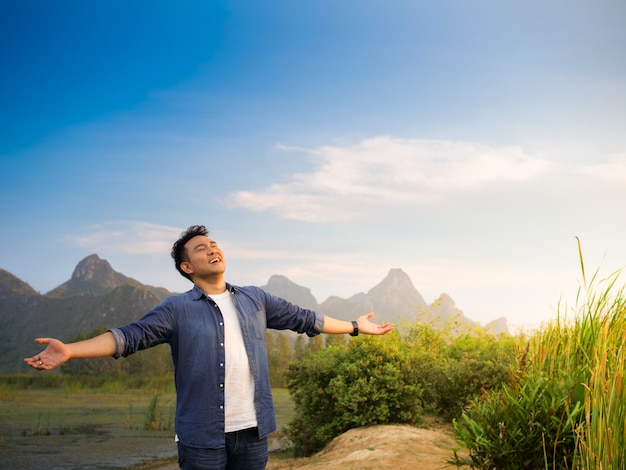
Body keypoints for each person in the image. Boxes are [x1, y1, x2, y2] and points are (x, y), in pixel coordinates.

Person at [24, 225, 394, 470]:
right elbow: (127, 337)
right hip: (201, 438)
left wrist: (355, 327)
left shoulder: (256, 298)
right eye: (201, 248)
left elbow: (306, 319)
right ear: (187, 266)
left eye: (214, 244)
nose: (212, 249)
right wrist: (71, 349)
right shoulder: (175, 308)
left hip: (253, 433)